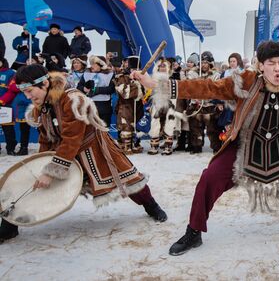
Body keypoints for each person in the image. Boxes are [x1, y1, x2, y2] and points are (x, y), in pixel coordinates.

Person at [132, 41, 279, 256]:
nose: (277, 68)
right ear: (260, 65)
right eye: (271, 63)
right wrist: (158, 85)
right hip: (244, 146)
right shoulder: (244, 80)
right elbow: (207, 87)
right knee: (209, 179)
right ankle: (194, 231)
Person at [0, 65, 167, 244]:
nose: (28, 97)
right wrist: (42, 167)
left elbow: (72, 138)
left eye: (30, 91)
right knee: (34, 182)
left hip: (95, 150)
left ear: (45, 83)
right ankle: (9, 226)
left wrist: (51, 171)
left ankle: (152, 206)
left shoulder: (73, 100)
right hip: (64, 152)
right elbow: (46, 138)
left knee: (131, 180)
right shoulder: (40, 106)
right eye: (24, 92)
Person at [186, 51, 222, 154]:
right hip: (196, 104)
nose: (204, 64)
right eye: (202, 62)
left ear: (210, 63)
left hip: (210, 105)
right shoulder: (193, 74)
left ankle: (216, 147)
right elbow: (189, 87)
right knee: (195, 127)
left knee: (213, 128)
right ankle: (196, 146)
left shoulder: (216, 75)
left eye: (206, 62)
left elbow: (216, 89)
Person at [147, 58, 182, 155]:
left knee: (170, 122)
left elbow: (178, 90)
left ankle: (168, 145)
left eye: (164, 66)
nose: (162, 68)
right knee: (155, 122)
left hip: (170, 103)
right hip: (156, 103)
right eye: (160, 66)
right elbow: (149, 92)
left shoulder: (173, 77)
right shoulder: (153, 79)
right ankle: (154, 145)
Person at [114, 56, 145, 154]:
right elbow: (124, 93)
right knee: (126, 125)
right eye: (132, 69)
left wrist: (141, 86)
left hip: (138, 105)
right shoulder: (121, 77)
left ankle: (135, 143)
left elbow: (146, 92)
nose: (134, 71)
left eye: (136, 69)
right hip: (125, 106)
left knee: (137, 124)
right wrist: (134, 85)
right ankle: (126, 145)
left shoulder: (143, 77)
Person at [77, 55, 115, 127]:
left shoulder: (110, 75)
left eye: (94, 64)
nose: (92, 66)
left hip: (104, 106)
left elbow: (111, 89)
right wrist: (84, 89)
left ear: (101, 65)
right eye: (91, 64)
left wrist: (96, 90)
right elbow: (79, 87)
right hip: (89, 106)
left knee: (104, 130)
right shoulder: (86, 74)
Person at [0, 57, 17, 155]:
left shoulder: (10, 73)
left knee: (8, 129)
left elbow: (12, 90)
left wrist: (2, 100)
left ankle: (10, 148)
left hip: (6, 105)